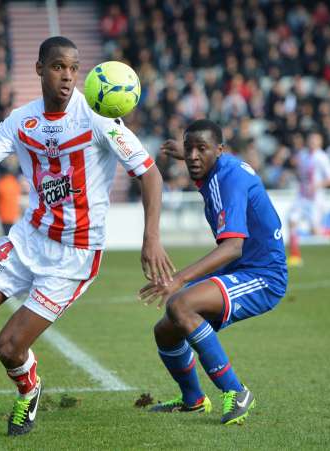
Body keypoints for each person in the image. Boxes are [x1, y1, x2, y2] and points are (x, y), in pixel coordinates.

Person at [0, 36, 174, 445]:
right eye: (59, 67)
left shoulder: (99, 118)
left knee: (8, 347)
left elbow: (150, 174)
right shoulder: (21, 120)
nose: (68, 76)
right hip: (28, 239)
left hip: (74, 255)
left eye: (74, 68)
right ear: (40, 69)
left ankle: (29, 389)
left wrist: (152, 239)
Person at [140, 119, 287, 425]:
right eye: (189, 148)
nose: (193, 156)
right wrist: (190, 150)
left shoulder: (227, 180)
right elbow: (203, 152)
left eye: (201, 149)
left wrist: (179, 278)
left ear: (219, 151)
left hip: (263, 276)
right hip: (242, 268)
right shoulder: (219, 167)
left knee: (180, 303)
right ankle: (193, 400)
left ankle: (236, 391)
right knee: (165, 331)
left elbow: (232, 247)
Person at [287, 132, 330, 267]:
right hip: (301, 196)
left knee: (314, 231)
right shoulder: (303, 155)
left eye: (314, 140)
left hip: (315, 199)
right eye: (310, 139)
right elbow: (300, 171)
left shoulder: (322, 157)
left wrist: (318, 185)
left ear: (320, 143)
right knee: (292, 221)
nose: (311, 142)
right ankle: (295, 256)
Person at [0, 165, 22, 235]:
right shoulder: (14, 182)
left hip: (4, 214)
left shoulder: (0, 183)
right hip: (14, 213)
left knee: (6, 234)